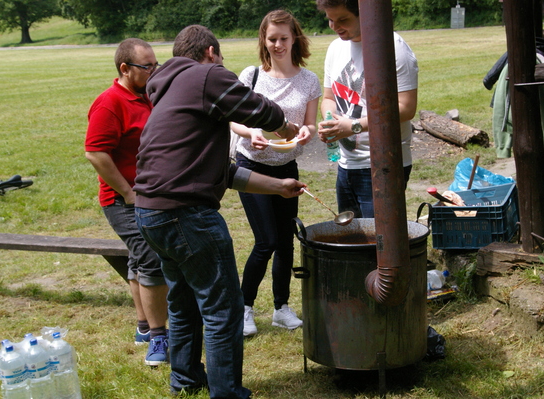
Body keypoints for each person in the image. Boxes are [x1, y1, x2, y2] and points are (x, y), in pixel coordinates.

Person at [133, 25, 304, 398]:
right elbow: (257, 108)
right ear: (211, 51)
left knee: (182, 301)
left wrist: (278, 186)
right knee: (223, 309)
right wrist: (286, 125)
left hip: (150, 212)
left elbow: (220, 172)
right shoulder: (205, 74)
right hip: (185, 214)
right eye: (220, 56)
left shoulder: (170, 90)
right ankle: (227, 394)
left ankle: (186, 379)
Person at [230, 10, 321, 337]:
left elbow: (310, 122)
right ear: (263, 40)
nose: (278, 45)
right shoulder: (252, 75)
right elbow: (231, 118)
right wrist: (249, 132)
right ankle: (244, 308)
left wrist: (308, 132)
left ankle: (281, 308)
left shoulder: (309, 80)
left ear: (295, 37)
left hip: (287, 165)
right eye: (272, 39)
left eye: (284, 38)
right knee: (266, 241)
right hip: (251, 167)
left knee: (285, 242)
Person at [84, 38, 169, 366]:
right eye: (147, 66)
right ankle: (160, 338)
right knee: (151, 257)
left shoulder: (148, 94)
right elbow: (95, 153)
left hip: (149, 194)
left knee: (138, 259)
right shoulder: (109, 103)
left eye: (155, 63)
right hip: (121, 200)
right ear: (124, 69)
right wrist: (127, 193)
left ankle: (143, 326)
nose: (154, 70)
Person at [315, 0, 418, 219]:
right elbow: (328, 98)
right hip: (346, 164)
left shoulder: (392, 46)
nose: (335, 26)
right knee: (353, 240)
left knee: (381, 245)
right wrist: (330, 121)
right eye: (330, 19)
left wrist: (352, 126)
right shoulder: (335, 47)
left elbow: (406, 108)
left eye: (343, 19)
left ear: (366, 14)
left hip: (383, 164)